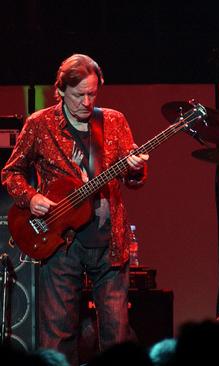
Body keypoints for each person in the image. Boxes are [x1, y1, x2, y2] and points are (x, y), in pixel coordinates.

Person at [1, 54, 149, 365]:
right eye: (78, 94)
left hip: (109, 241)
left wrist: (134, 168)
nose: (86, 101)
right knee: (57, 335)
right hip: (60, 242)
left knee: (116, 335)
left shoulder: (114, 121)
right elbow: (10, 173)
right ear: (60, 91)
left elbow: (134, 180)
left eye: (92, 93)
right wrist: (30, 198)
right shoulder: (39, 124)